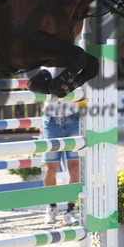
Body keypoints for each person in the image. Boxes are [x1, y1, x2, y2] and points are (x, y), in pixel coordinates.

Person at [42, 88, 80, 226]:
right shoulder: (45, 66)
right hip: (51, 121)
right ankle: (52, 206)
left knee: (75, 167)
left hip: (74, 118)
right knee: (50, 168)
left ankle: (71, 210)